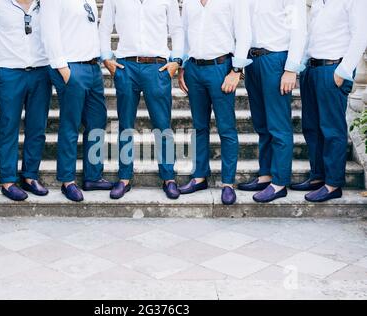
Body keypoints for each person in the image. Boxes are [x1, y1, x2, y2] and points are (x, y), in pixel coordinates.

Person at [99, 0, 184, 200]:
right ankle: (124, 177)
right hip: (126, 67)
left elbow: (177, 30)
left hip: (157, 67)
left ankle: (168, 177)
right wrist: (106, 58)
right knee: (125, 125)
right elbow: (104, 28)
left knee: (163, 124)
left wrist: (176, 61)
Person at [0, 0, 52, 201]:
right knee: (8, 125)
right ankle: (8, 181)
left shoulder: (45, 4)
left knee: (37, 126)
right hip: (10, 73)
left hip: (41, 71)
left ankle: (30, 176)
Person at [291, 0, 367, 202]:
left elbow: (361, 35)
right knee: (311, 127)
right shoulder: (318, 2)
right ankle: (317, 177)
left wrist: (342, 72)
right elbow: (310, 37)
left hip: (333, 70)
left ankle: (333, 184)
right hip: (312, 69)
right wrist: (302, 65)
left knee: (332, 129)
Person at [178, 0, 252, 205]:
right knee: (199, 126)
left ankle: (228, 183)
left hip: (221, 68)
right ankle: (199, 176)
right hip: (194, 69)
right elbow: (184, 34)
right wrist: (183, 66)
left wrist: (236, 70)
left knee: (226, 128)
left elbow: (244, 34)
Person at [40, 0, 113, 202]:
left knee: (97, 122)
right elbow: (49, 34)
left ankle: (93, 176)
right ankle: (67, 180)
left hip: (92, 67)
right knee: (70, 125)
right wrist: (64, 70)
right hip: (71, 68)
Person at [238, 0, 307, 203]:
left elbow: (298, 30)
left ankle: (279, 182)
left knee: (278, 125)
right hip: (253, 61)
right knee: (261, 124)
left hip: (276, 61)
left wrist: (291, 68)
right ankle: (266, 174)